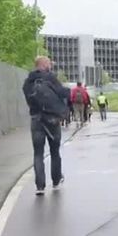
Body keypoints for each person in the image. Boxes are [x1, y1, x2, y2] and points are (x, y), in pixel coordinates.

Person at [22, 56, 69, 195]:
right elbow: (62, 93)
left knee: (38, 153)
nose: (50, 65)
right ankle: (56, 180)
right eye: (49, 63)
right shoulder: (50, 78)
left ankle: (40, 186)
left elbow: (28, 98)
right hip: (52, 120)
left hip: (36, 120)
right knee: (55, 151)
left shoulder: (28, 82)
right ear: (43, 64)